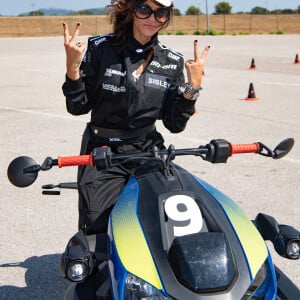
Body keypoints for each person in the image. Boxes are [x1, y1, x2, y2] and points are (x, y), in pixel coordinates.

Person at [62, 0, 209, 235]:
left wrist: (192, 89)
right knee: (99, 226)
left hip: (148, 151)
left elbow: (175, 124)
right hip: (102, 152)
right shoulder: (100, 49)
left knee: (164, 225)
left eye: (161, 13)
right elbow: (77, 106)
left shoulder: (172, 62)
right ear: (131, 11)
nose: (152, 18)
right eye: (144, 10)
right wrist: (72, 70)